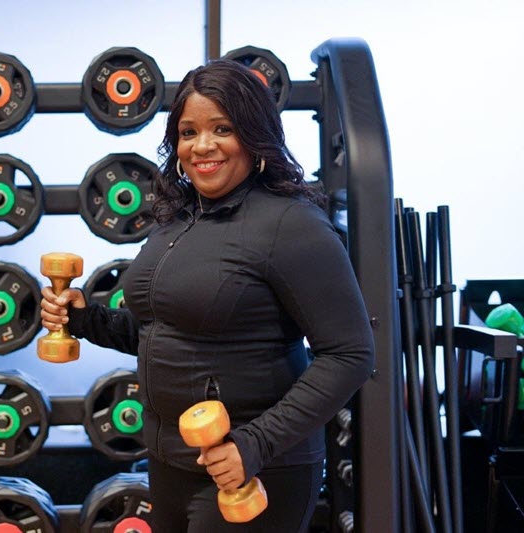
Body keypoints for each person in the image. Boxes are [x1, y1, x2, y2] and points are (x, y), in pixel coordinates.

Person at [40, 59, 375, 532]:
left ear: (256, 135)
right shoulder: (176, 218)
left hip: (251, 469)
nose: (202, 146)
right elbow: (159, 329)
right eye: (188, 131)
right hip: (168, 462)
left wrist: (254, 443)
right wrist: (84, 319)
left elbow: (350, 353)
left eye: (222, 128)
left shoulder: (291, 225)